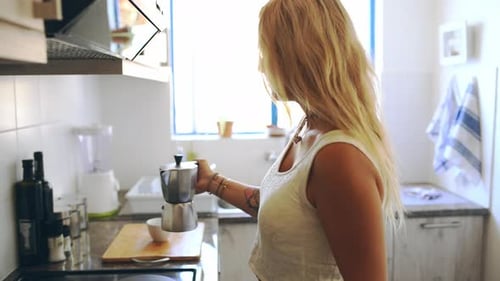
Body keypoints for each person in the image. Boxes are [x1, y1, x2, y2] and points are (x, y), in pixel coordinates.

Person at [195, 0, 404, 280]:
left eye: (265, 52)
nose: (261, 66)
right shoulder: (308, 128)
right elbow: (281, 210)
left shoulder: (339, 157)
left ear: (298, 56)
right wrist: (212, 182)